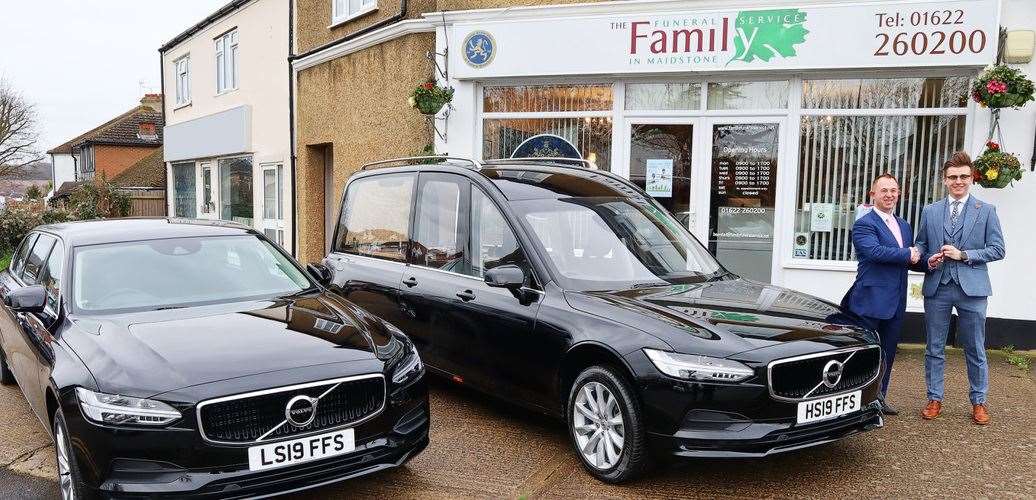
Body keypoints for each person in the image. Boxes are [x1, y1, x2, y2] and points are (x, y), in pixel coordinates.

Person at [915, 151, 1005, 425]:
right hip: (938, 287)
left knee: (975, 347)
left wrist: (964, 254)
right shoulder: (930, 211)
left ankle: (978, 402)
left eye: (964, 176)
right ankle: (934, 398)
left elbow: (998, 249)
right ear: (944, 180)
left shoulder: (986, 211)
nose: (958, 181)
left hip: (973, 289)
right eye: (953, 177)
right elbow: (921, 244)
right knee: (934, 347)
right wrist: (927, 257)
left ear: (972, 179)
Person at [842, 173, 921, 416]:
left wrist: (930, 262)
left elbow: (909, 259)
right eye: (884, 190)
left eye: (894, 190)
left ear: (899, 194)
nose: (889, 195)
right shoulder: (865, 223)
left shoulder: (904, 225)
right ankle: (852, 401)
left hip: (896, 302)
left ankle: (878, 398)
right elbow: (875, 252)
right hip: (869, 300)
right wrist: (909, 253)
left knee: (887, 352)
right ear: (872, 194)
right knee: (863, 354)